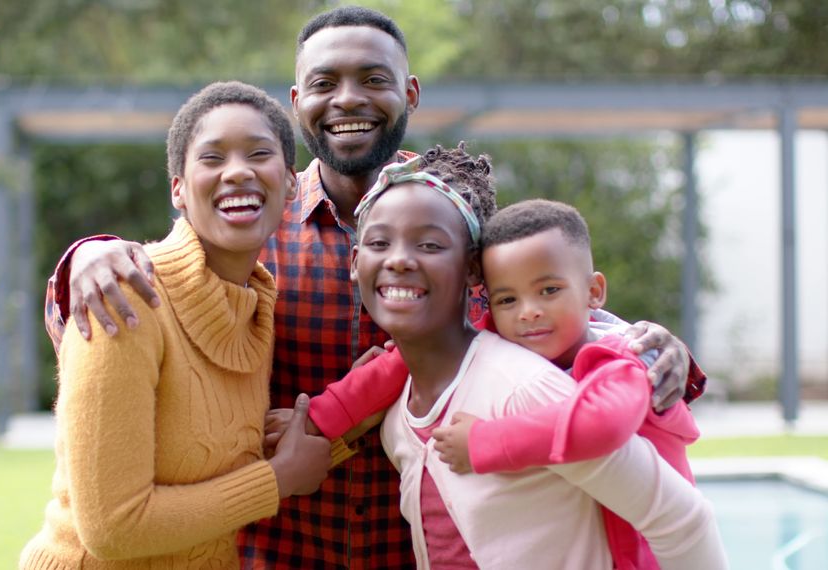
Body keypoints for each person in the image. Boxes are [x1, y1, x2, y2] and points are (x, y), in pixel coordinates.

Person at [41, 6, 704, 568]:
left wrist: (649, 348)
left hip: (414, 548)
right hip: (282, 551)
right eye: (325, 82)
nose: (349, 98)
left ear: (410, 93)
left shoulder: (462, 230)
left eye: (373, 79)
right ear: (299, 105)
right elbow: (152, 286)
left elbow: (546, 312)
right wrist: (85, 258)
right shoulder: (256, 230)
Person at [346, 153, 726, 568]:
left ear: (472, 270)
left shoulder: (526, 388)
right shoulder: (400, 415)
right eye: (379, 243)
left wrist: (484, 442)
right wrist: (309, 422)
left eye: (431, 244)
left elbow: (683, 521)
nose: (400, 260)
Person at [19, 81, 333, 569]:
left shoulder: (254, 306)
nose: (237, 172)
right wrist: (278, 480)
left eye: (258, 153)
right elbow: (113, 528)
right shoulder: (125, 294)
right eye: (212, 158)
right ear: (178, 190)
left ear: (291, 184)